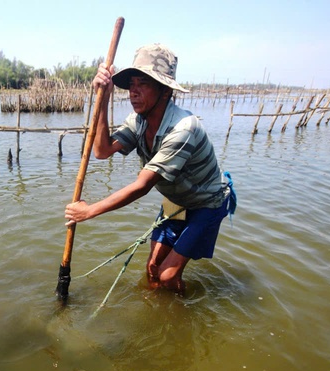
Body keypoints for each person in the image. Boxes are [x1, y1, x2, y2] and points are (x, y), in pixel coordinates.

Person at [64, 43, 234, 294]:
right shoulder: (138, 121)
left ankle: (181, 317)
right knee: (153, 268)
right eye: (131, 84)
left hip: (207, 203)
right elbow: (102, 151)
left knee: (166, 276)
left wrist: (88, 211)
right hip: (176, 201)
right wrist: (104, 98)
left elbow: (142, 186)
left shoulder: (184, 128)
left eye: (142, 84)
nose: (133, 92)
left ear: (165, 90)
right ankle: (165, 309)